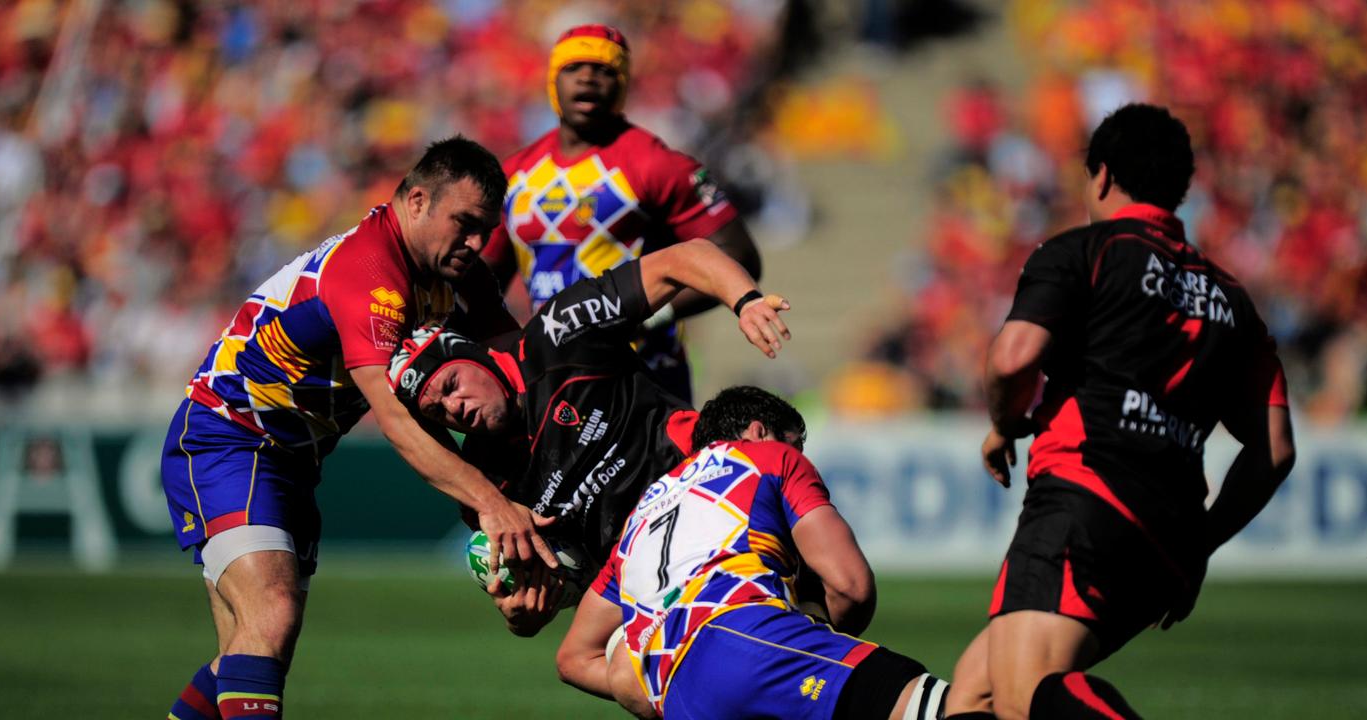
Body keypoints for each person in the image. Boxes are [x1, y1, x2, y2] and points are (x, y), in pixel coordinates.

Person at [159, 137, 561, 720]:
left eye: (485, 231)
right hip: (230, 436)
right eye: (465, 224)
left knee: (247, 653)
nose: (477, 245)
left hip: (294, 461)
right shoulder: (370, 270)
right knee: (271, 614)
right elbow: (393, 420)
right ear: (417, 201)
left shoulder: (456, 272)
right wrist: (492, 504)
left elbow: (514, 363)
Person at [941, 104, 1297, 720]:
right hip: (1169, 537)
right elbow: (1275, 448)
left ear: (1101, 176)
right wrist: (1202, 542)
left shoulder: (1083, 252)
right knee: (978, 693)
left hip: (1085, 497)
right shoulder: (1233, 299)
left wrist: (1004, 423)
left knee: (1026, 695)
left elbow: (1012, 358)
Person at [388, 237, 790, 635]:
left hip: (716, 497)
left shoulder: (560, 331)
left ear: (477, 356)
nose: (454, 406)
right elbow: (564, 574)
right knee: (578, 662)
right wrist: (523, 615)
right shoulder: (482, 484)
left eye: (452, 384)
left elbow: (685, 256)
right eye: (437, 411)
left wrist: (745, 301)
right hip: (656, 579)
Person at [554, 386, 951, 720]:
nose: (802, 456)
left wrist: (650, 684)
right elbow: (851, 586)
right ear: (759, 431)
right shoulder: (769, 457)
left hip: (680, 700)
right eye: (796, 445)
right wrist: (814, 625)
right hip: (748, 640)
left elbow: (574, 659)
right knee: (948, 706)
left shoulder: (640, 518)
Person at [482, 23, 762, 402]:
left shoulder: (658, 165)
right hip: (555, 378)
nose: (587, 78)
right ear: (552, 80)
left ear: (623, 84)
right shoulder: (514, 175)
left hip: (645, 374)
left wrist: (651, 314)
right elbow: (484, 281)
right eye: (573, 67)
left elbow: (739, 256)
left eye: (604, 70)